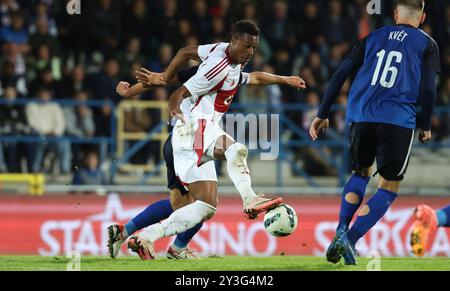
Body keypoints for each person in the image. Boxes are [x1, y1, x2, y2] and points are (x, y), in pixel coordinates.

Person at [108, 20, 307, 260]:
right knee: (236, 151)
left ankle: (139, 235)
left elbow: (186, 58)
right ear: (234, 41)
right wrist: (173, 106)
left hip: (189, 133)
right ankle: (249, 198)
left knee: (199, 206)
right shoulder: (217, 69)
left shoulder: (221, 53)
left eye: (254, 48)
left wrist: (286, 79)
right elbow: (178, 92)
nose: (250, 53)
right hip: (195, 127)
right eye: (247, 47)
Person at [309, 0, 440, 265]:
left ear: (395, 13)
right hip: (397, 119)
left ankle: (340, 231)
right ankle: (351, 238)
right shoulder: (427, 44)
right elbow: (428, 89)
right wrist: (425, 124)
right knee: (389, 185)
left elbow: (340, 72)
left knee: (360, 173)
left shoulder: (372, 36)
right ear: (423, 16)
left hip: (361, 114)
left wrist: (322, 113)